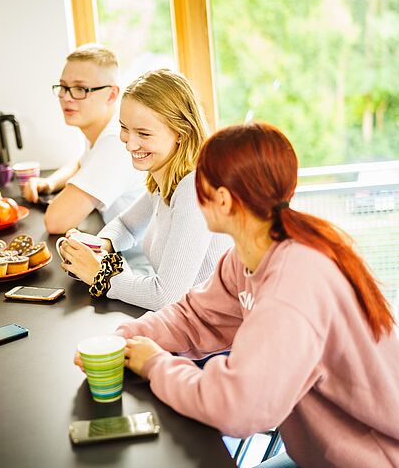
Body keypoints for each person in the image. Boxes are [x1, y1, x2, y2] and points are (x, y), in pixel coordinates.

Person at [78, 123, 399, 467]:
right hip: (319, 454)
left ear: (223, 200)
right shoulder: (249, 254)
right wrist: (125, 339)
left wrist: (156, 364)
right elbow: (194, 315)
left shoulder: (294, 284)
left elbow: (238, 408)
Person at [59, 69, 232, 310]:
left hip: (212, 338)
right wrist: (99, 245)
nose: (130, 143)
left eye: (143, 133)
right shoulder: (165, 177)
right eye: (124, 128)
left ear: (181, 133)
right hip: (190, 323)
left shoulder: (194, 190)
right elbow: (127, 226)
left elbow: (166, 297)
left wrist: (102, 275)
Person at [23, 44, 145, 234]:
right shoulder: (104, 130)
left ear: (111, 94)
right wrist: (50, 183)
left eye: (80, 88)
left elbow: (56, 221)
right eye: (63, 87)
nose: (66, 97)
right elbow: (82, 163)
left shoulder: (118, 142)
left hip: (134, 261)